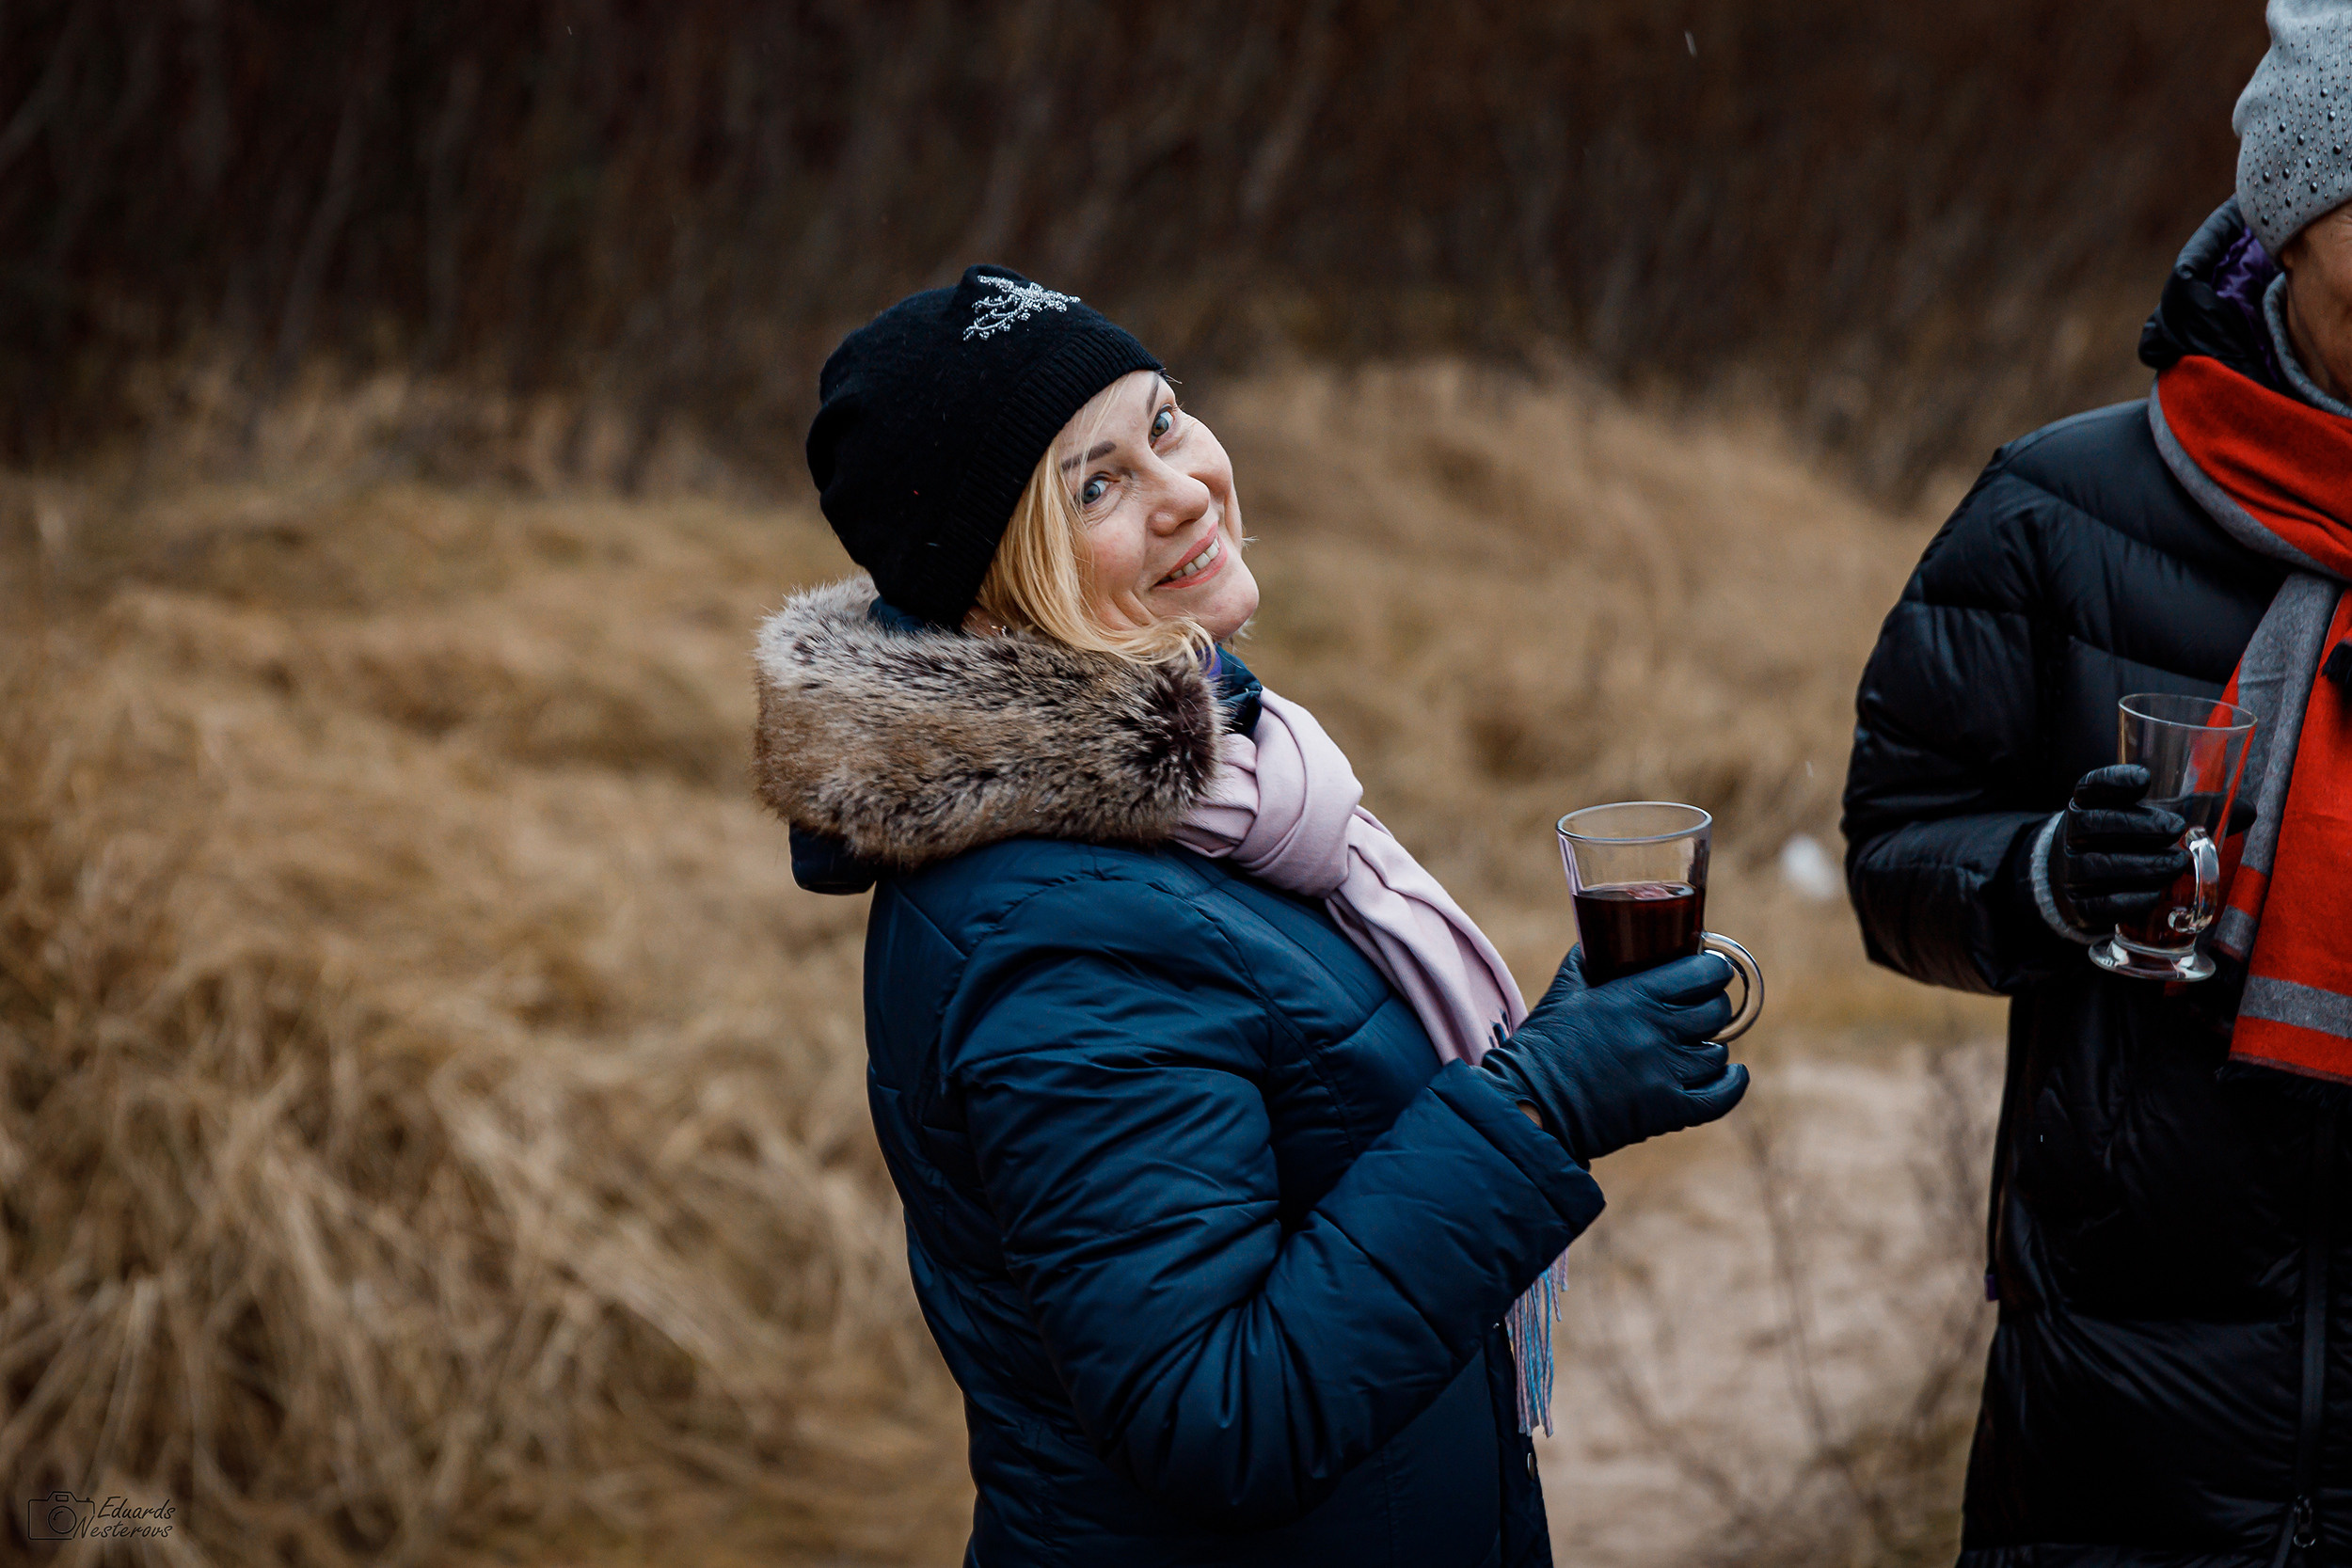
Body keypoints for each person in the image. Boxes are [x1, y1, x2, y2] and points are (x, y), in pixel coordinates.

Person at [754, 264, 1750, 1567]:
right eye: (1094, 486)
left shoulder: (1207, 802)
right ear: (989, 589)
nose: (1184, 490)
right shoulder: (1058, 931)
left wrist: (1540, 1063)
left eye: (1163, 422)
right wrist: (1536, 1110)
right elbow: (1215, 1411)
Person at [1841, 4, 2352, 1561]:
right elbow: (1895, 856)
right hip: (2131, 1384)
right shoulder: (2062, 510)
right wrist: (2049, 877)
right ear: (2304, 209)